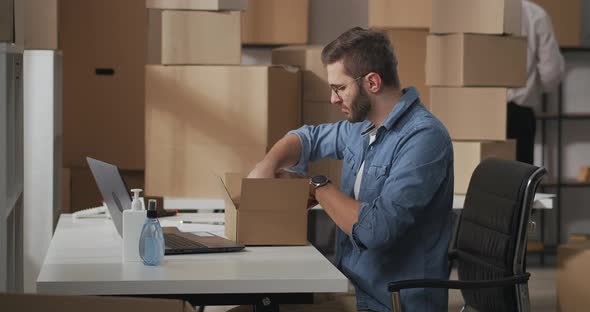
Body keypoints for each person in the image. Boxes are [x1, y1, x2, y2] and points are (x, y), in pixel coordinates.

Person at [248, 27, 454, 311]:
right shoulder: (362, 128)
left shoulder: (424, 138)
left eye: (339, 88)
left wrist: (317, 187)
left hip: (390, 301)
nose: (333, 99)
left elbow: (375, 230)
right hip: (352, 283)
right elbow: (307, 138)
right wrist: (267, 165)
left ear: (372, 82)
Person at [507, 0, 565, 164]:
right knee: (519, 182)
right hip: (518, 111)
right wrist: (533, 87)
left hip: (476, 111)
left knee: (478, 181)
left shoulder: (474, 11)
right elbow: (551, 72)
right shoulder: (534, 14)